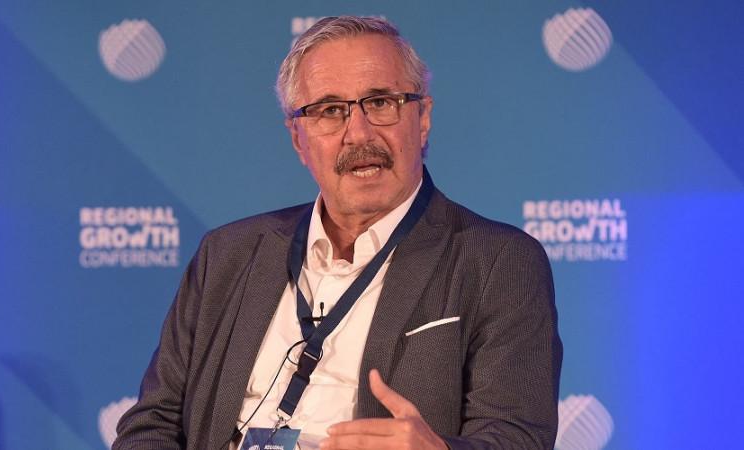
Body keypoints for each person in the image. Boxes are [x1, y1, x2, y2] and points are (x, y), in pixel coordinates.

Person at [113, 16, 561, 450]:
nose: (359, 133)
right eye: (330, 111)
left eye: (381, 102)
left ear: (422, 117)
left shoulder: (497, 260)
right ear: (298, 137)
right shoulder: (228, 253)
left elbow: (517, 437)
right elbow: (152, 423)